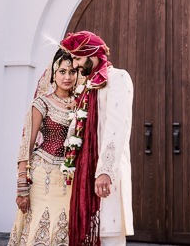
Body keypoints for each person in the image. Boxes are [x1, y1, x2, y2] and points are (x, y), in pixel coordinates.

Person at [60, 31, 134, 246]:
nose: (75, 65)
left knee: (107, 233)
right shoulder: (86, 86)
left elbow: (117, 126)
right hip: (84, 173)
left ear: (92, 54)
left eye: (77, 58)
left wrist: (105, 171)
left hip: (104, 173)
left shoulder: (117, 78)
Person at [8, 48, 78, 246]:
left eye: (72, 72)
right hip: (42, 177)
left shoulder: (81, 104)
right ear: (53, 73)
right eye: (62, 71)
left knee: (63, 230)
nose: (67, 77)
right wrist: (22, 187)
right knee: (38, 229)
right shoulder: (42, 103)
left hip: (69, 179)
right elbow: (26, 144)